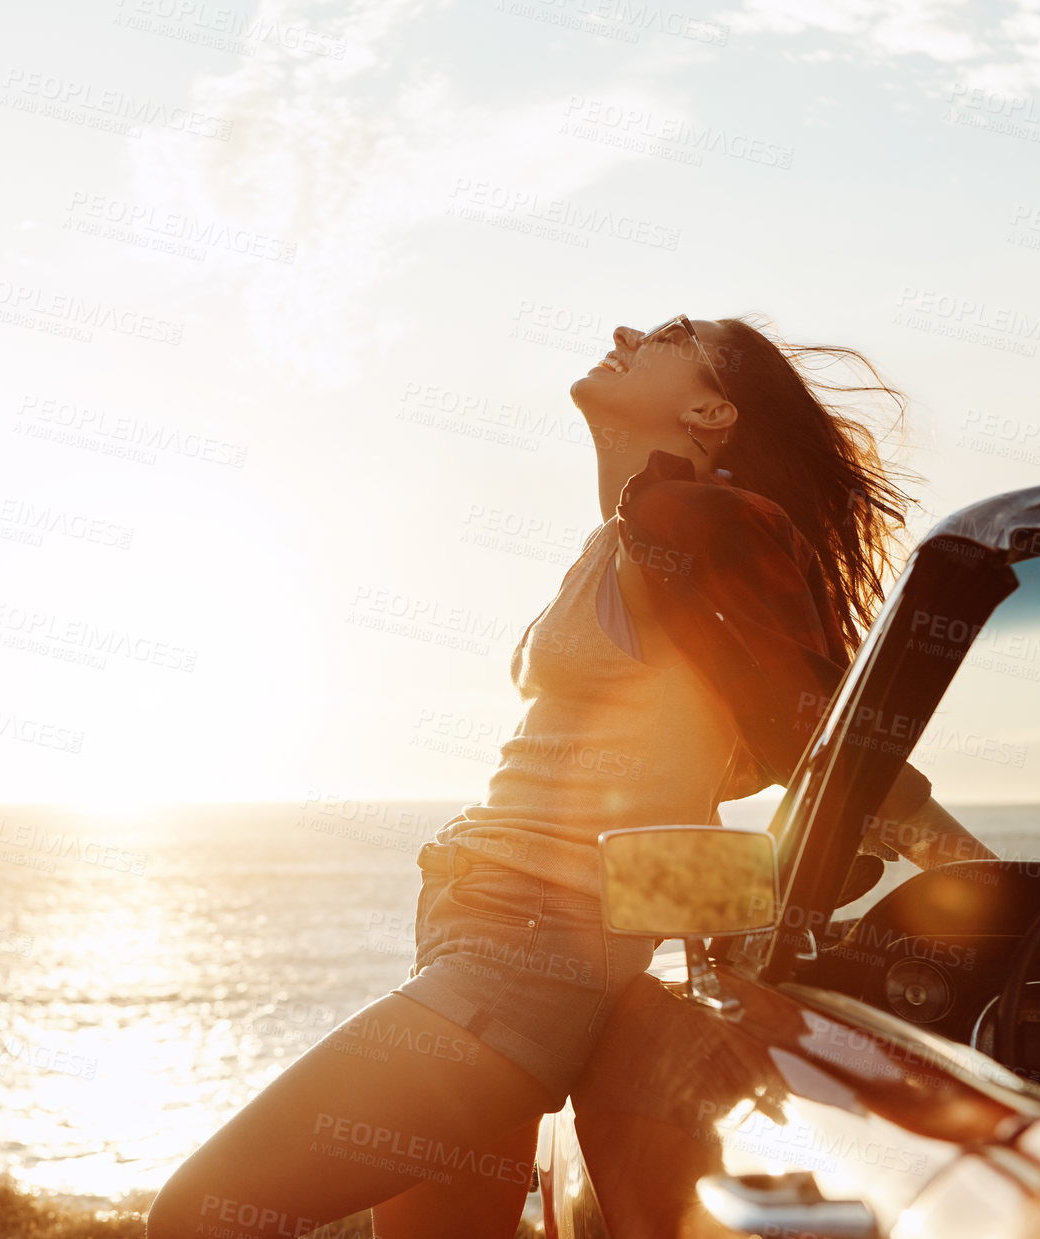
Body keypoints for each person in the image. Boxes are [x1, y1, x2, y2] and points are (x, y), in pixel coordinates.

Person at [146, 314, 993, 1239]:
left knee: (200, 1216)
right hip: (490, 929)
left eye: (673, 333)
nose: (630, 328)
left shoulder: (700, 517)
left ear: (712, 409)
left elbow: (825, 737)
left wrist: (993, 884)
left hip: (526, 953)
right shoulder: (633, 532)